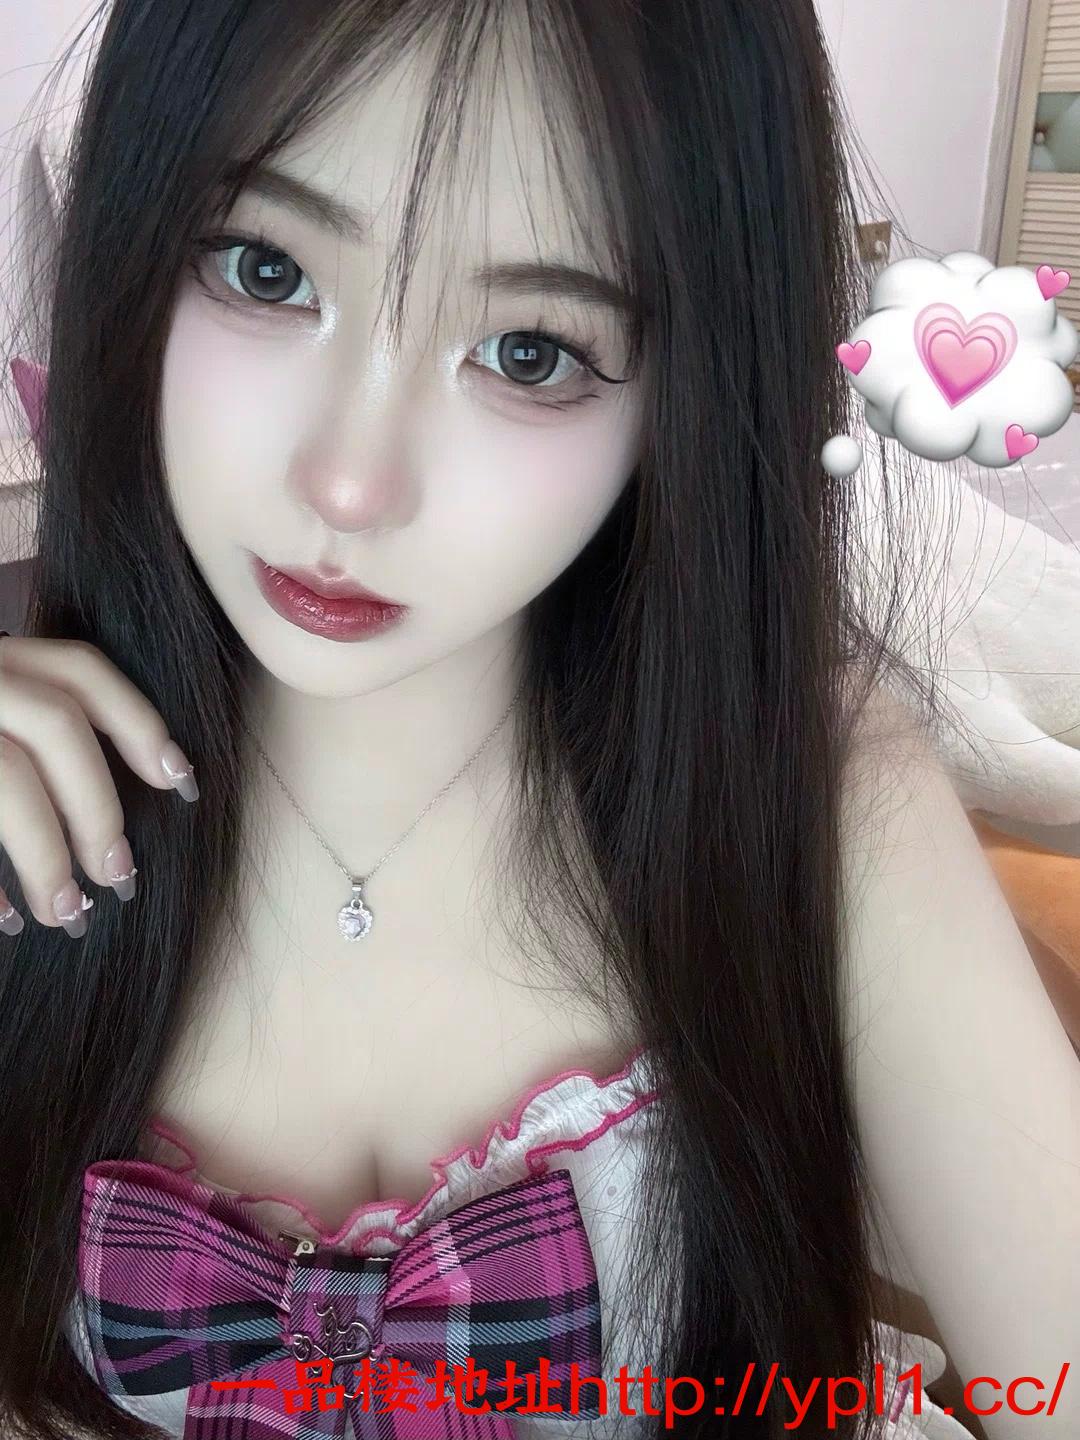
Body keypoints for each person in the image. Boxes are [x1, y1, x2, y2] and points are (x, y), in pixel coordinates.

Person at [0, 1, 1076, 1437]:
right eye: (268, 270)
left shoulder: (813, 801)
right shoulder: (26, 787)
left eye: (528, 353)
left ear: (687, 391)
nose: (349, 485)